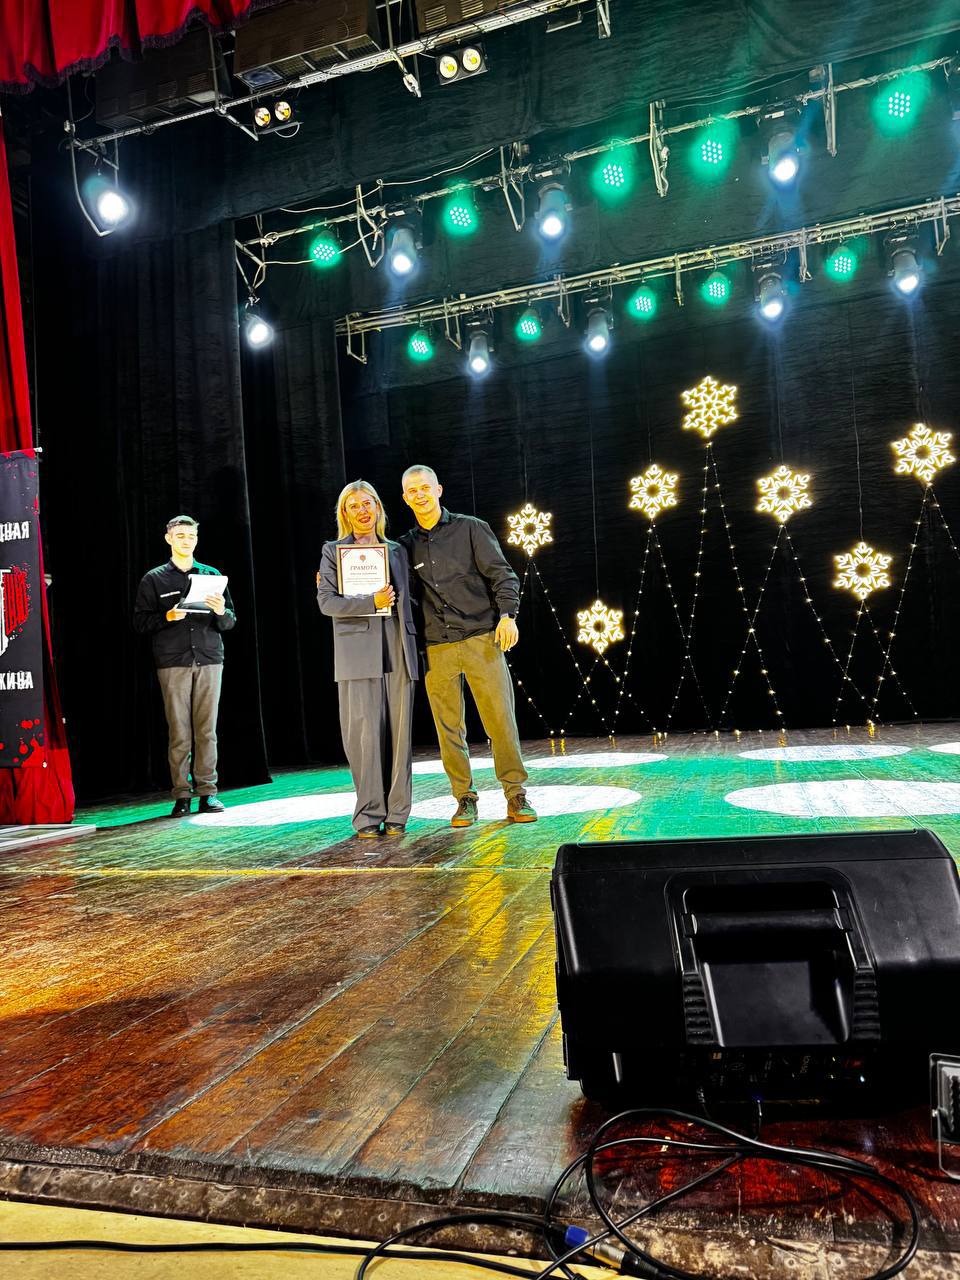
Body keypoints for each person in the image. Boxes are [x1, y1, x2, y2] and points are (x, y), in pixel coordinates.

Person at [399, 465, 536, 827]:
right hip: (436, 647)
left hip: (481, 638)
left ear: (438, 489)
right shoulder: (404, 546)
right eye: (412, 491)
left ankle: (516, 794)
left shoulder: (471, 528)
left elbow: (503, 574)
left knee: (500, 722)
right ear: (405, 498)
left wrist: (507, 616)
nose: (420, 495)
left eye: (425, 488)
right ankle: (464, 798)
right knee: (449, 729)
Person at [317, 481, 419, 840]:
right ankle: (368, 814)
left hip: (397, 645)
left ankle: (398, 813)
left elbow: (411, 598)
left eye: (367, 503)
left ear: (378, 507)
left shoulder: (397, 550)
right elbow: (327, 603)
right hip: (356, 651)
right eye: (353, 506)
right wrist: (370, 603)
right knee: (363, 737)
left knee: (400, 737)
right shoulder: (333, 552)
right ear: (344, 514)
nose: (362, 511)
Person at [133, 515, 235, 817]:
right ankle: (181, 795)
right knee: (179, 732)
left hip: (209, 659)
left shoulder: (212, 575)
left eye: (190, 536)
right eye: (180, 536)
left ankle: (208, 793)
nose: (186, 540)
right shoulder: (154, 579)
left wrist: (221, 610)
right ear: (169, 539)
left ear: (196, 539)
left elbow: (229, 621)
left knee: (207, 731)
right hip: (173, 662)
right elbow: (140, 622)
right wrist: (167, 617)